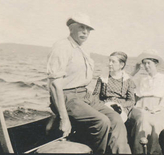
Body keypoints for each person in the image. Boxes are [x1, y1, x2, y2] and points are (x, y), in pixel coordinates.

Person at [47, 13, 131, 154]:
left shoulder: (83, 49)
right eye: (81, 27)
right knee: (102, 122)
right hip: (67, 97)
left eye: (88, 29)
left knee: (115, 118)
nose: (85, 32)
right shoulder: (62, 47)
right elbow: (54, 85)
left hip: (84, 95)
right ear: (71, 28)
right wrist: (64, 118)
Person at [129, 49, 164, 154]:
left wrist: (161, 108)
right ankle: (140, 152)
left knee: (157, 122)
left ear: (155, 63)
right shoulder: (141, 79)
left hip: (158, 107)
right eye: (144, 63)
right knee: (144, 120)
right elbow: (125, 83)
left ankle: (155, 152)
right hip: (141, 107)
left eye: (149, 63)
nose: (146, 66)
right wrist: (134, 72)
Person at [92, 51, 136, 123]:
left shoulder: (128, 80)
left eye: (113, 62)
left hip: (120, 108)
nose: (110, 64)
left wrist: (120, 105)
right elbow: (95, 96)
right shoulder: (103, 78)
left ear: (121, 65)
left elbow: (131, 101)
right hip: (104, 105)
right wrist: (102, 105)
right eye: (109, 61)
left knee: (115, 119)